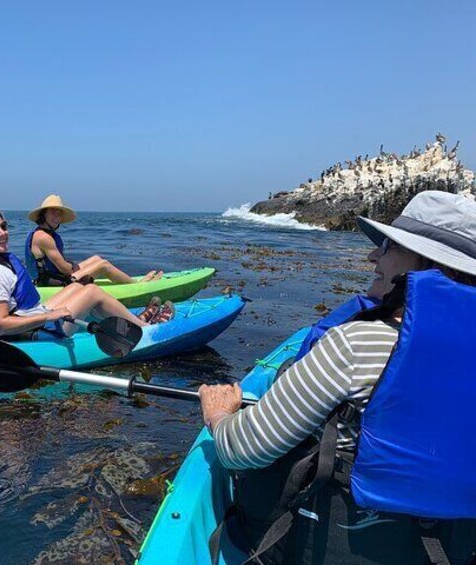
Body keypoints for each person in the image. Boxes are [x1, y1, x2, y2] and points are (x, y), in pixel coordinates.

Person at [200, 191, 476, 564]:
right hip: (446, 550)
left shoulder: (358, 344)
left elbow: (243, 450)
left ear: (431, 269)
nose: (373, 255)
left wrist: (220, 415)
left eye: (389, 245)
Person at [0, 209, 174, 339]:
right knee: (92, 292)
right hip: (38, 331)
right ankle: (145, 330)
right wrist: (48, 316)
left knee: (78, 287)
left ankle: (130, 321)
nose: (2, 233)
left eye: (3, 226)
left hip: (32, 317)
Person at [24, 194, 163, 286]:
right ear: (44, 214)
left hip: (55, 276)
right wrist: (71, 265)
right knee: (103, 265)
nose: (57, 215)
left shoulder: (42, 234)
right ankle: (137, 286)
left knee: (96, 258)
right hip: (48, 283)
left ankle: (129, 280)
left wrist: (72, 265)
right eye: (53, 211)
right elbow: (65, 270)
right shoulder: (43, 237)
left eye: (59, 212)